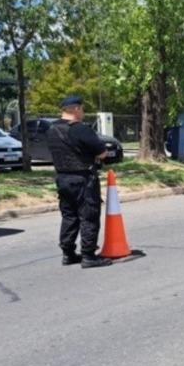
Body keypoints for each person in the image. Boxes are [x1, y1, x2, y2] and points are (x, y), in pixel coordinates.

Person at [46, 95, 112, 268]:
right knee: (88, 216)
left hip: (62, 178)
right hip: (83, 179)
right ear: (76, 109)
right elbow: (102, 153)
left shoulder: (52, 129)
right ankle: (89, 255)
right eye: (81, 109)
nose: (82, 113)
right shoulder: (80, 129)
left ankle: (67, 254)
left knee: (69, 216)